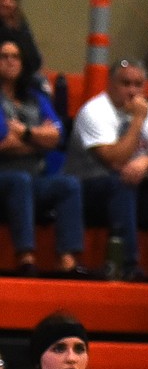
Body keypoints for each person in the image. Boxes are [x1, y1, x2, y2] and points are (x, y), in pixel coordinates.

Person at [65, 58, 148, 281]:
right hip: (88, 190)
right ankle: (128, 265)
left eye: (138, 85)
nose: (132, 91)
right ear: (110, 84)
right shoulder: (95, 111)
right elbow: (113, 160)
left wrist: (145, 162)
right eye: (125, 84)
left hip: (130, 190)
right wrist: (137, 120)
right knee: (121, 182)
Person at [0, 38, 87, 276]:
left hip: (33, 177)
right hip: (5, 178)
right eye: (4, 56)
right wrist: (39, 140)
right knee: (20, 181)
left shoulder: (35, 98)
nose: (10, 61)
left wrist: (25, 132)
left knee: (68, 185)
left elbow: (57, 137)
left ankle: (67, 260)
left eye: (15, 56)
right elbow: (3, 141)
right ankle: (26, 258)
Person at [0, 0, 42, 79]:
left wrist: (14, 28)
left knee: (40, 82)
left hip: (17, 87)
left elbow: (35, 62)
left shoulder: (16, 21)